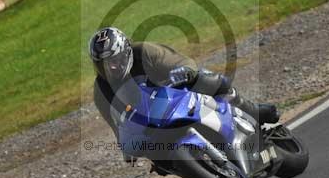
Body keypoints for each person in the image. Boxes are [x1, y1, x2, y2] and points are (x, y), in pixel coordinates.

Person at [89, 27, 280, 145]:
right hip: (152, 121)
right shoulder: (101, 90)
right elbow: (118, 130)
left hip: (177, 93)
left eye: (113, 60)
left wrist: (185, 71)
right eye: (102, 64)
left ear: (125, 52)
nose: (110, 67)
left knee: (207, 79)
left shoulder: (145, 52)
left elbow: (183, 62)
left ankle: (252, 110)